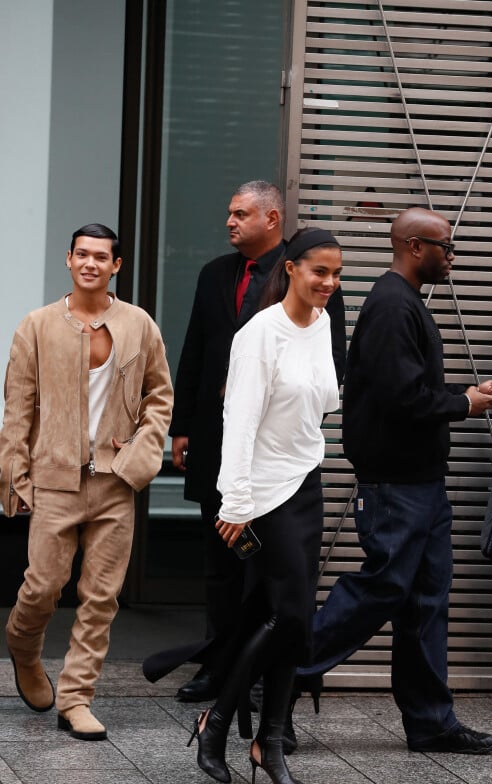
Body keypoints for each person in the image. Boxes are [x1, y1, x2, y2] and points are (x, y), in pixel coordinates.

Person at [296, 206, 492, 754]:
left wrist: (468, 396)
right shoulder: (393, 305)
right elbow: (401, 398)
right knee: (382, 588)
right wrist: (467, 402)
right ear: (415, 247)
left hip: (419, 481)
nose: (452, 255)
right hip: (396, 484)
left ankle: (431, 722)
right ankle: (274, 677)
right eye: (445, 245)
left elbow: (410, 388)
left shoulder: (405, 302)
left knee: (425, 601)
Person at [169, 180, 346, 703]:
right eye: (230, 213)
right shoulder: (213, 275)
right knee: (220, 566)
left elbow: (332, 369)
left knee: (271, 583)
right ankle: (217, 666)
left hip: (279, 457)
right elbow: (195, 349)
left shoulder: (313, 284)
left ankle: (263, 679)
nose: (230, 221)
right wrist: (182, 425)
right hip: (217, 435)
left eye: (241, 213)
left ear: (272, 220)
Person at [0, 223, 173, 741]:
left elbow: (159, 398)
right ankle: (24, 648)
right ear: (69, 260)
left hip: (114, 482)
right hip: (55, 478)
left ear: (116, 265)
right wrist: (15, 476)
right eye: (82, 255)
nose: (91, 263)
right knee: (43, 586)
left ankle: (76, 698)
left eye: (101, 256)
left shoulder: (139, 324)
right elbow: (18, 407)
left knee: (101, 596)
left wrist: (139, 459)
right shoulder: (37, 325)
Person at [191, 228, 341, 784]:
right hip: (262, 492)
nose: (328, 283)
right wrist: (235, 502)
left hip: (305, 482)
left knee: (286, 619)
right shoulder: (260, 333)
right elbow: (240, 420)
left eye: (336, 274)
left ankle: (264, 740)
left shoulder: (322, 325)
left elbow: (324, 401)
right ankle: (224, 724)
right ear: (292, 269)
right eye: (318, 271)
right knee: (290, 616)